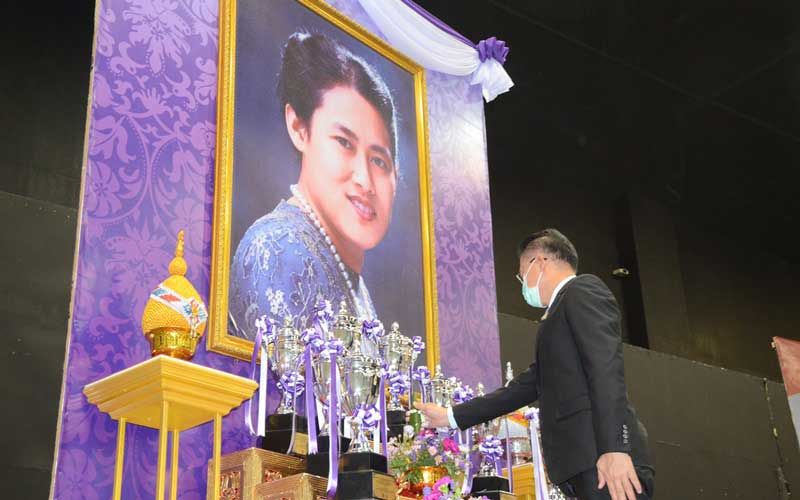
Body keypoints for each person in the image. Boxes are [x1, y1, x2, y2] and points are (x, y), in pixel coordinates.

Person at [415, 229, 654, 499]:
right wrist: (451, 416)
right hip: (582, 463)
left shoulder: (582, 290)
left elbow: (605, 368)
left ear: (538, 262)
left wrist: (615, 448)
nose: (523, 285)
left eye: (521, 275)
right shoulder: (558, 313)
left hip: (603, 458)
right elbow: (525, 387)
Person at [228, 32, 399, 339]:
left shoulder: (349, 274)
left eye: (379, 160)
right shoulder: (277, 250)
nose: (365, 179)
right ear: (299, 128)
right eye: (344, 142)